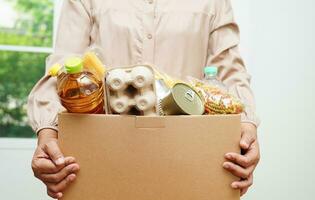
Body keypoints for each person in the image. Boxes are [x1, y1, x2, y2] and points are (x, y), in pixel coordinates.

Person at [28, 0, 260, 199]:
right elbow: (63, 68)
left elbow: (230, 72)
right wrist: (48, 133)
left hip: (186, 157)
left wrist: (247, 128)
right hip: (106, 156)